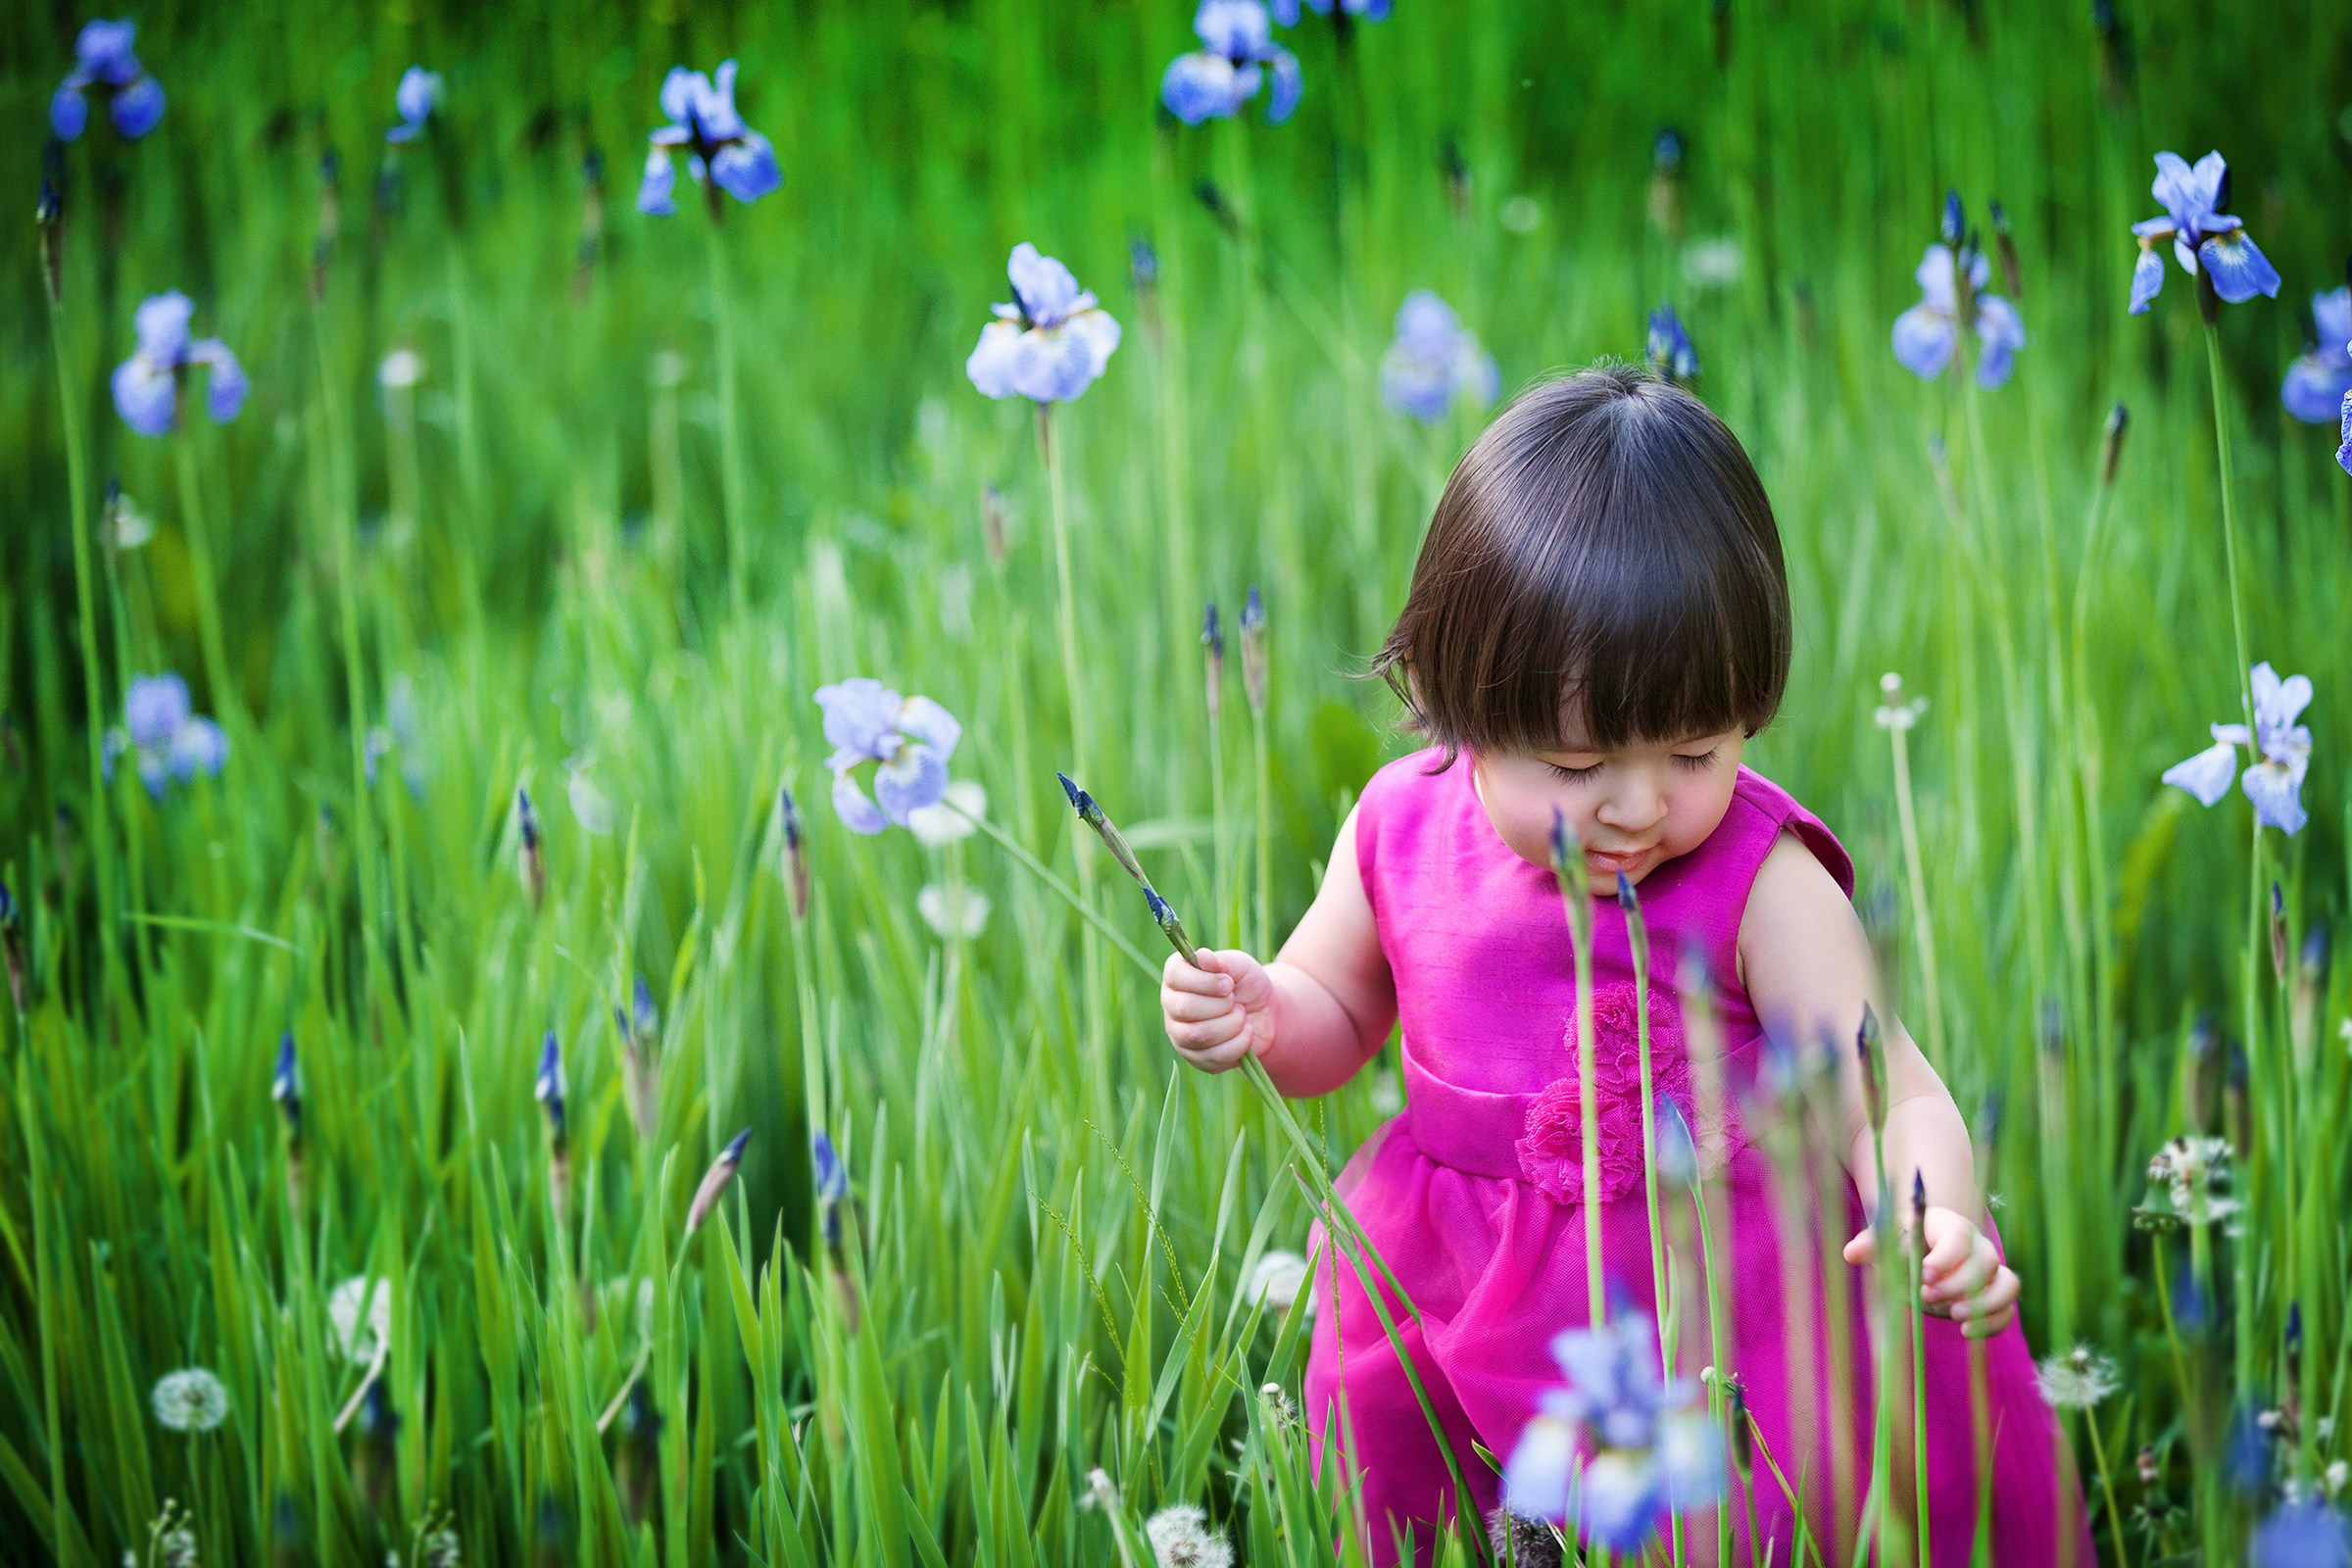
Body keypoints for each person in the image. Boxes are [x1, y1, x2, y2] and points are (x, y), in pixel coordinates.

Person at [1158, 365, 2088, 1565]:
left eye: (1694, 751)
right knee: (1423, 1513)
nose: (1638, 807)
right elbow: (1334, 1013)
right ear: (1461, 706)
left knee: (1737, 1528)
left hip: (1717, 1313)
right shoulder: (1397, 826)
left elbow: (1889, 1087)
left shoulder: (1763, 882)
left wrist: (1937, 1213)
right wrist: (1258, 1009)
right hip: (1446, 1284)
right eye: (1581, 762)